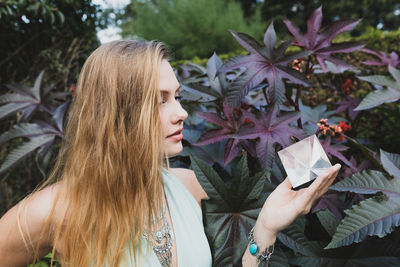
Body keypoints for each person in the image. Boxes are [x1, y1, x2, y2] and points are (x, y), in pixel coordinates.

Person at [0, 40, 340, 267]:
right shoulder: (55, 210)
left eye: (176, 96)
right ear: (114, 114)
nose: (181, 112)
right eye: (159, 100)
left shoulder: (188, 186)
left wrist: (266, 229)